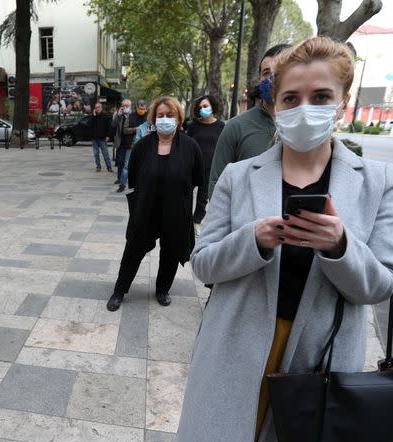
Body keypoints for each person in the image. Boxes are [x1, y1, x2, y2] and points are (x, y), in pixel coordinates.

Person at [175, 37, 393, 442]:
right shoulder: (239, 177)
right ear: (274, 105)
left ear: (342, 102)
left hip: (316, 354)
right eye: (291, 98)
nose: (305, 109)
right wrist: (253, 240)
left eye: (320, 97)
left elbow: (384, 283)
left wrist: (342, 245)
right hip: (237, 345)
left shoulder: (377, 181)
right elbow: (203, 264)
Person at [106, 96, 204, 311]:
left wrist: (195, 209)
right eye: (160, 116)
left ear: (178, 119)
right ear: (153, 119)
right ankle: (119, 290)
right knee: (133, 250)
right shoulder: (142, 146)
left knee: (170, 253)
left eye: (170, 115)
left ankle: (162, 289)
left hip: (175, 212)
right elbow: (133, 177)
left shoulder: (190, 147)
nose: (165, 119)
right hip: (145, 211)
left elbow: (198, 179)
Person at [208, 43, 291, 198]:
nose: (272, 78)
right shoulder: (236, 127)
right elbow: (216, 184)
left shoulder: (305, 128)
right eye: (266, 73)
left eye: (280, 71)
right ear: (259, 78)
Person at [186, 94, 225, 228]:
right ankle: (183, 220)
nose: (203, 108)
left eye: (205, 106)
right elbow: (187, 145)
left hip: (210, 168)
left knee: (203, 199)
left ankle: (195, 223)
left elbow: (224, 148)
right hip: (191, 167)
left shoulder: (221, 126)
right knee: (184, 194)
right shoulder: (194, 126)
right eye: (200, 107)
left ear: (212, 107)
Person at [117, 99, 150, 192]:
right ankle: (122, 184)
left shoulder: (149, 117)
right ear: (136, 107)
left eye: (143, 108)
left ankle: (141, 185)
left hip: (145, 146)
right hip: (131, 145)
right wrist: (136, 129)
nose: (141, 110)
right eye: (140, 108)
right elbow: (125, 129)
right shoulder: (130, 116)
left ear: (146, 108)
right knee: (126, 165)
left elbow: (153, 128)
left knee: (144, 166)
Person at [89, 102, 113, 173]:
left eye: (99, 107)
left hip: (102, 138)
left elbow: (109, 127)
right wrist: (93, 116)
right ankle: (98, 166)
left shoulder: (105, 116)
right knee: (96, 154)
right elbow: (89, 124)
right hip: (94, 139)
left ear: (101, 108)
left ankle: (109, 167)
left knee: (105, 154)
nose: (97, 109)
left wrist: (108, 136)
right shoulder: (93, 117)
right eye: (96, 107)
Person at [112, 98, 132, 184]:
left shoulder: (133, 115)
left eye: (127, 106)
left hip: (130, 142)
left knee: (127, 163)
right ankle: (119, 178)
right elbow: (113, 125)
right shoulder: (119, 115)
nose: (125, 107)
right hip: (121, 142)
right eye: (124, 106)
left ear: (130, 106)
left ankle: (125, 179)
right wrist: (118, 115)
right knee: (120, 161)